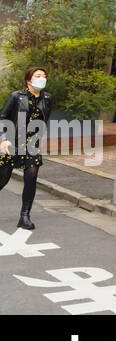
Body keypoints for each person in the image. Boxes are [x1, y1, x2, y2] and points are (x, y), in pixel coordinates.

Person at [1, 67, 52, 231]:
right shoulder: (16, 96)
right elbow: (3, 118)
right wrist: (3, 139)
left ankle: (25, 216)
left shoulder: (48, 98)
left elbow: (44, 119)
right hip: (12, 142)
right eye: (38, 76)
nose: (42, 78)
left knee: (31, 177)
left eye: (44, 76)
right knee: (3, 178)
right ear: (29, 80)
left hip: (32, 143)